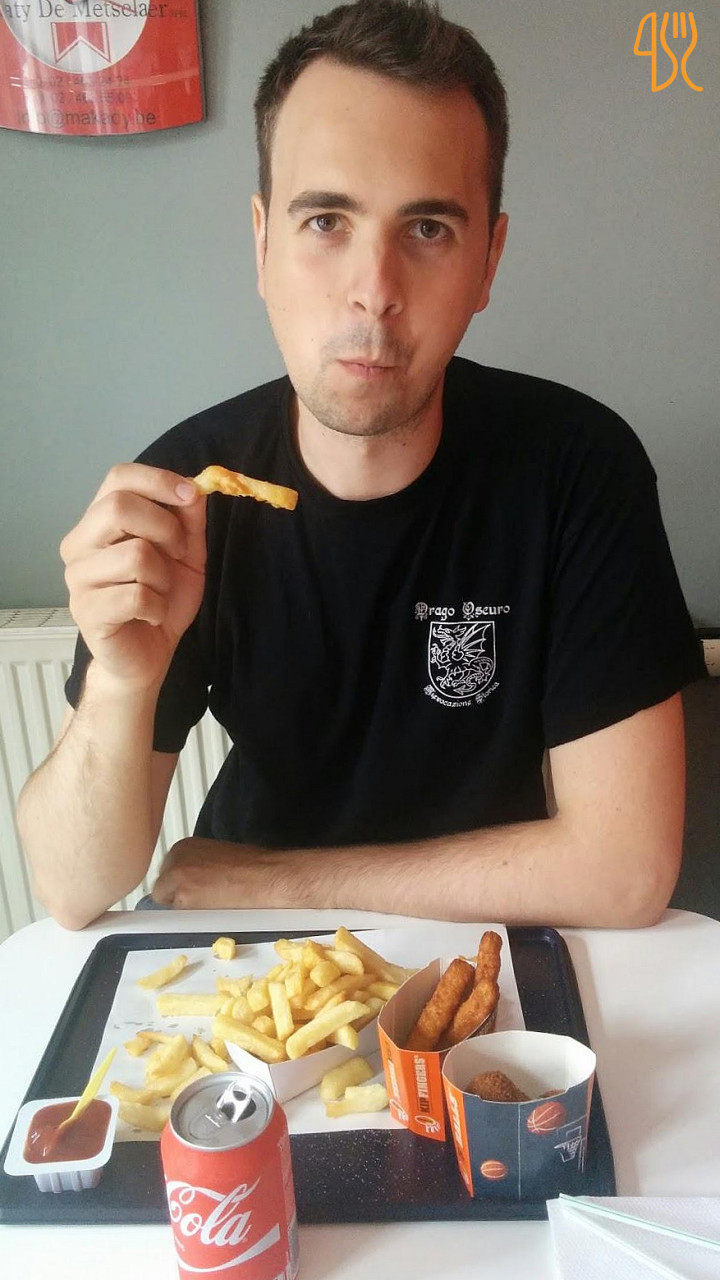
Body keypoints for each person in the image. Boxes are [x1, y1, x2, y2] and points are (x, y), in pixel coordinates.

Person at [17, 0, 705, 930]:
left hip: (488, 948)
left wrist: (272, 882)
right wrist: (121, 682)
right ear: (262, 243)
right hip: (252, 971)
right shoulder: (185, 492)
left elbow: (626, 870)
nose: (374, 293)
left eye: (428, 230)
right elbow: (72, 888)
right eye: (326, 220)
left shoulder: (580, 469)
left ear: (489, 260)